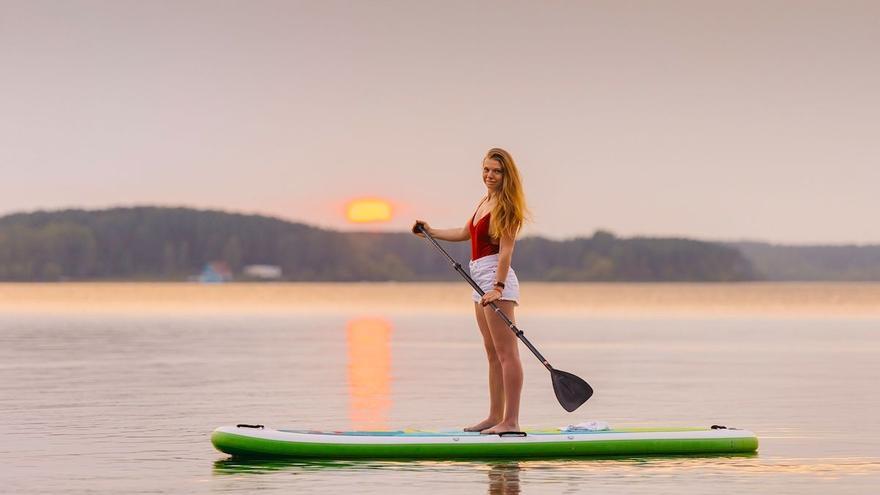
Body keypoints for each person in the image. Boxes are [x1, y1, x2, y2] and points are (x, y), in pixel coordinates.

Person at [413, 148, 528, 434]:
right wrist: (432, 231)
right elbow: (466, 233)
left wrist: (498, 288)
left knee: (507, 353)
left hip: (494, 278)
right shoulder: (484, 201)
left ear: (506, 175)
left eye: (496, 171)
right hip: (478, 277)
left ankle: (510, 421)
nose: (489, 175)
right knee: (491, 352)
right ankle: (494, 416)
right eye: (486, 169)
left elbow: (506, 252)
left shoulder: (508, 206)